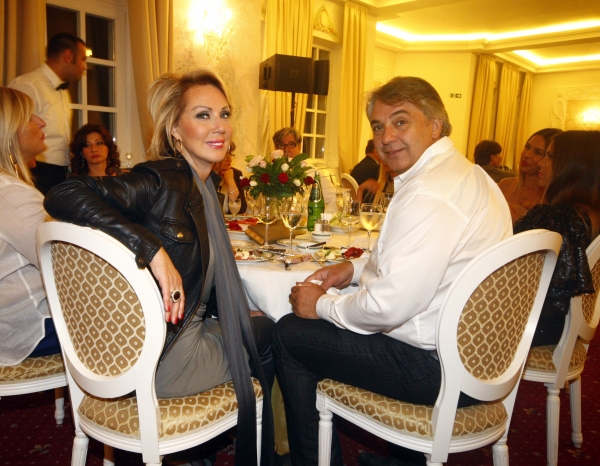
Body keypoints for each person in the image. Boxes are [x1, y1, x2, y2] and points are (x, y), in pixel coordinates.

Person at [272, 76, 512, 466]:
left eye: (401, 121)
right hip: (480, 361)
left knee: (289, 333)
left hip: (437, 370)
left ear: (435, 125)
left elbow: (389, 307)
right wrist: (349, 270)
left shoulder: (428, 192)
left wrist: (320, 306)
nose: (386, 137)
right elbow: (414, 262)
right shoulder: (465, 174)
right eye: (378, 126)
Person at [44, 69, 274, 466]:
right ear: (175, 130)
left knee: (250, 321)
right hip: (166, 360)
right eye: (203, 115)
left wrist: (235, 309)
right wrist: (151, 250)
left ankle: (200, 453)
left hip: (159, 342)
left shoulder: (204, 187)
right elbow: (64, 193)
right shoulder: (162, 179)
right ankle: (261, 452)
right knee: (273, 333)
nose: (219, 126)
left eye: (224, 114)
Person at [514, 130, 600, 347]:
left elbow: (513, 275)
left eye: (550, 156)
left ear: (575, 166)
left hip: (532, 327)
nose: (540, 163)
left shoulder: (558, 218)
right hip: (560, 326)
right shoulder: (588, 215)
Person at [0, 87, 61, 366]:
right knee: (144, 316)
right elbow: (63, 262)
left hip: (11, 321)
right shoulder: (9, 193)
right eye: (29, 116)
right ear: (8, 131)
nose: (41, 122)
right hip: (25, 326)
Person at [9, 33, 87, 194]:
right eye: (83, 59)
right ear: (69, 56)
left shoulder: (63, 91)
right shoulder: (28, 85)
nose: (84, 67)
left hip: (59, 173)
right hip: (36, 171)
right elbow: (10, 132)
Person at [498, 128, 562, 224]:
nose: (526, 155)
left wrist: (529, 219)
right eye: (527, 147)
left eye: (538, 152)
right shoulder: (505, 184)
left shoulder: (553, 197)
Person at [273, 127, 337, 213]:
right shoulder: (268, 173)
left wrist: (323, 217)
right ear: (275, 148)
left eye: (291, 144)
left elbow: (334, 198)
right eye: (282, 145)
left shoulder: (312, 173)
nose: (286, 149)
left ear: (299, 146)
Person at [212, 141, 247, 214]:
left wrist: (231, 182)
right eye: (225, 155)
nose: (230, 159)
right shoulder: (204, 175)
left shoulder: (236, 173)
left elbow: (242, 209)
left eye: (230, 154)